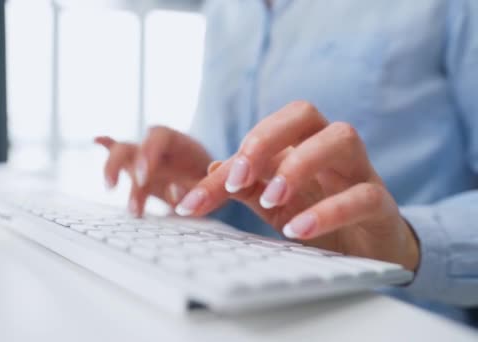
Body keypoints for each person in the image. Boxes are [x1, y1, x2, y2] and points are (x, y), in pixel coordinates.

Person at [95, 0, 478, 325]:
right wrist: (212, 184)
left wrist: (410, 243)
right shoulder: (227, 9)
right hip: (231, 312)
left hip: (391, 320)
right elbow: (251, 182)